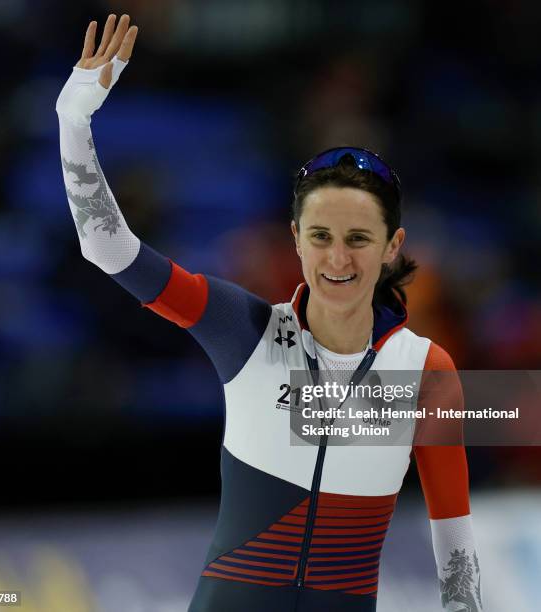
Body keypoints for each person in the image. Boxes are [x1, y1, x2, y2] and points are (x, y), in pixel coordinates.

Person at [56, 14, 484, 612]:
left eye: (359, 238)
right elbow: (109, 251)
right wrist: (73, 121)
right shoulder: (246, 329)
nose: (337, 259)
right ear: (295, 238)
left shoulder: (425, 371)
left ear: (392, 247)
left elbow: (455, 553)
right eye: (320, 236)